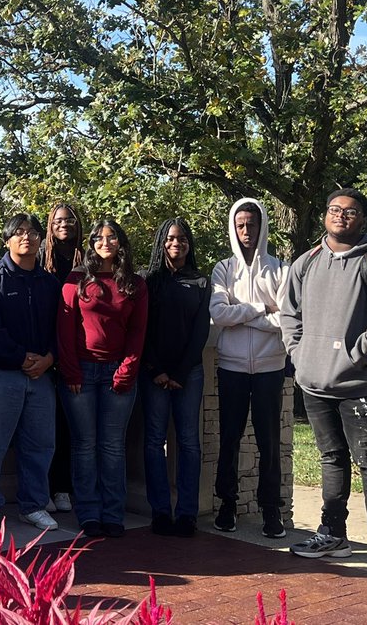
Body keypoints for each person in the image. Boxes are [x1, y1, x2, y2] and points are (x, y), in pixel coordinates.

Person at [281, 188, 367, 576]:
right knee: (331, 460)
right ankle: (332, 533)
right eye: (335, 210)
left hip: (359, 387)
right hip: (315, 383)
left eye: (350, 212)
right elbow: (290, 316)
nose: (341, 217)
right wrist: (300, 356)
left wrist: (356, 358)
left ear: (362, 219)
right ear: (325, 216)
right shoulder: (306, 262)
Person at [0, 213, 61, 533]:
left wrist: (50, 357)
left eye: (33, 232)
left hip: (41, 376)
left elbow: (60, 328)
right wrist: (22, 358)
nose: (27, 237)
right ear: (7, 240)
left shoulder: (48, 282)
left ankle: (34, 504)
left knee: (41, 443)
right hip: (1, 374)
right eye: (19, 232)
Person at [55, 218, 147, 538]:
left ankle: (112, 513)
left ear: (120, 242)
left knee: (112, 447)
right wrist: (70, 371)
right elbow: (65, 329)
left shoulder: (135, 283)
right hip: (81, 373)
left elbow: (137, 333)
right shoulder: (76, 280)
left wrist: (126, 370)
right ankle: (89, 513)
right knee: (84, 446)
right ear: (92, 242)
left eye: (111, 237)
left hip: (117, 375)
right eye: (99, 237)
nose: (105, 243)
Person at [210, 198, 287, 538]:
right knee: (230, 438)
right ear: (233, 227)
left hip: (271, 367)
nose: (246, 231)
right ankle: (227, 505)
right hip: (232, 367)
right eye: (240, 225)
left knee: (269, 442)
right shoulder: (223, 270)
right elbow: (219, 315)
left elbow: (285, 318)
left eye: (251, 224)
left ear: (261, 226)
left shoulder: (280, 270)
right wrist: (259, 308)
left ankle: (272, 510)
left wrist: (242, 316)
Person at [139, 218, 211, 537]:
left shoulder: (201, 282)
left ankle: (186, 513)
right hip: (154, 373)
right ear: (161, 242)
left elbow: (200, 332)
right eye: (169, 239)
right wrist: (157, 370)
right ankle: (160, 512)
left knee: (188, 443)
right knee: (154, 442)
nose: (176, 244)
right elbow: (140, 330)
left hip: (189, 374)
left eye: (182, 239)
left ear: (189, 244)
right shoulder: (147, 280)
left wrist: (180, 372)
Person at [40, 202, 84, 514]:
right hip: (45, 350)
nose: (64, 224)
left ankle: (65, 487)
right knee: (44, 426)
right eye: (58, 220)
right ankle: (43, 488)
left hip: (79, 351)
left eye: (69, 219)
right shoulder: (42, 254)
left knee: (71, 426)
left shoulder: (88, 256)